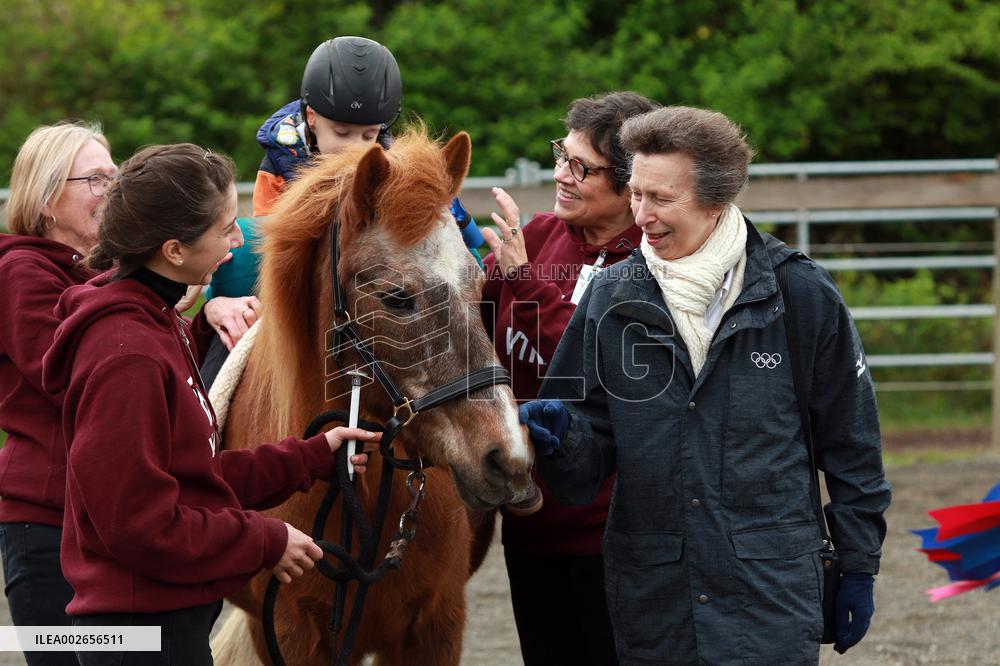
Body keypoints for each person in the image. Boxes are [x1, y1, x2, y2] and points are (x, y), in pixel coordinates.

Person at [520, 106, 892, 664]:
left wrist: (859, 563)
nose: (641, 215)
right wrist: (561, 438)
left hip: (770, 594)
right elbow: (585, 465)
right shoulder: (610, 299)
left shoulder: (800, 295)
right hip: (655, 602)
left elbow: (853, 444)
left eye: (661, 199)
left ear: (716, 200)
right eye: (637, 194)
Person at [39, 143, 381, 665]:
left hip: (162, 620)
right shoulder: (125, 354)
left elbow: (192, 476)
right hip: (140, 634)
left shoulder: (155, 325)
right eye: (225, 228)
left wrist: (311, 457)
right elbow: (140, 522)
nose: (239, 238)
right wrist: (264, 541)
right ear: (174, 250)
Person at [480, 91, 658, 665]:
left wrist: (524, 282)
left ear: (632, 183)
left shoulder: (654, 261)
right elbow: (472, 320)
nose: (562, 174)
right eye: (562, 154)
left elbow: (598, 362)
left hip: (611, 532)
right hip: (530, 516)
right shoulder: (534, 236)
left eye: (582, 167)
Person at [199, 34, 485, 386]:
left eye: (369, 136)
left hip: (368, 294)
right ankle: (207, 407)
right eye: (342, 132)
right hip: (308, 290)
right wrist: (216, 298)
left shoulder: (392, 167)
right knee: (230, 311)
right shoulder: (280, 160)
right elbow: (268, 245)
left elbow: (459, 248)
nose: (357, 150)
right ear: (312, 117)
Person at [0, 121, 114, 666]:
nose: (112, 192)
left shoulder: (103, 277)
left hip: (103, 522)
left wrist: (210, 313)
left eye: (116, 177)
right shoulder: (21, 272)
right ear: (47, 198)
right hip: (46, 529)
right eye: (95, 179)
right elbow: (65, 374)